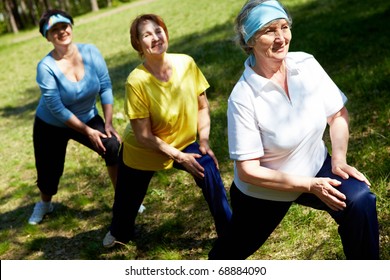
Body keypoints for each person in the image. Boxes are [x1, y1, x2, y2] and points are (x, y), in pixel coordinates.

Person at [209, 0, 379, 259]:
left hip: (316, 166)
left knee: (360, 201)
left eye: (284, 27)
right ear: (249, 40)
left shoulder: (305, 64)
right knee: (230, 254)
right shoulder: (243, 97)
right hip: (266, 190)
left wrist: (339, 159)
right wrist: (309, 185)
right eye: (269, 30)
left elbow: (337, 114)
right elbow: (248, 170)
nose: (281, 38)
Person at [102, 14, 232, 247]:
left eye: (158, 30)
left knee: (208, 167)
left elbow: (203, 107)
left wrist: (204, 141)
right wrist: (178, 156)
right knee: (125, 209)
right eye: (147, 35)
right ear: (138, 44)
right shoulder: (136, 81)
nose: (155, 37)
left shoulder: (187, 63)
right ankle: (119, 230)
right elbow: (143, 135)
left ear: (166, 33)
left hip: (183, 141)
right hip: (143, 150)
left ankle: (230, 233)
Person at [29, 9, 122, 225]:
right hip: (51, 124)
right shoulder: (45, 67)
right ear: (47, 36)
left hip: (88, 115)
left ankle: (123, 200)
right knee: (49, 172)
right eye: (54, 30)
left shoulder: (90, 52)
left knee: (112, 145)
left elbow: (106, 86)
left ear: (71, 26)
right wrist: (88, 131)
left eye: (64, 26)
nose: (62, 32)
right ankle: (44, 203)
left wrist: (107, 123)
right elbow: (57, 108)